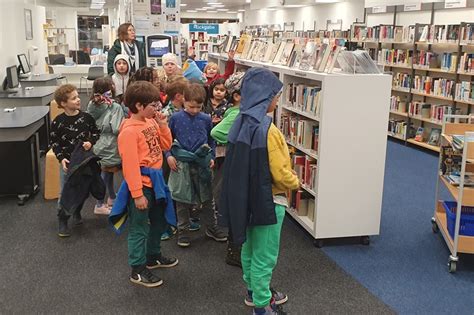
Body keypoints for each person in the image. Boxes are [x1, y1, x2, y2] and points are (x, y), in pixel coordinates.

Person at [219, 68, 300, 314]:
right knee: (265, 256)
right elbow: (281, 173)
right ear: (265, 97)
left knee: (249, 249)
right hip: (268, 202)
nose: (277, 101)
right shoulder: (269, 130)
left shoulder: (239, 121)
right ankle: (263, 306)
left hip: (245, 201)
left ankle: (253, 292)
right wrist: (296, 183)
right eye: (275, 96)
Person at [110, 81, 178, 287]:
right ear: (139, 106)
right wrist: (137, 194)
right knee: (139, 228)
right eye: (153, 105)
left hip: (156, 182)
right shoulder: (129, 131)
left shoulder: (150, 122)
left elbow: (166, 145)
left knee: (158, 222)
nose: (156, 108)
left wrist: (163, 125)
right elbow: (129, 166)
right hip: (142, 186)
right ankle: (137, 269)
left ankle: (153, 256)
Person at [166, 83, 226, 247]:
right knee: (182, 200)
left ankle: (212, 228)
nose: (194, 110)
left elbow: (211, 139)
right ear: (183, 101)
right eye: (191, 106)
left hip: (202, 162)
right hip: (181, 163)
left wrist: (212, 155)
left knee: (208, 198)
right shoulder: (175, 118)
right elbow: (167, 140)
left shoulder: (206, 118)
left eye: (198, 107)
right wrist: (169, 155)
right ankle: (183, 232)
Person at [49, 84, 100, 237]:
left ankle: (77, 210)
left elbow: (96, 133)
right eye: (74, 98)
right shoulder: (58, 122)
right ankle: (63, 219)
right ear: (63, 103)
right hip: (68, 163)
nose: (78, 100)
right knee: (66, 191)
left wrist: (91, 142)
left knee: (83, 190)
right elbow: (54, 143)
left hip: (84, 161)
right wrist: (61, 158)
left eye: (78, 97)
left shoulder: (86, 118)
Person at [210, 71, 245, 267]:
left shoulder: (235, 112)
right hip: (234, 163)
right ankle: (234, 250)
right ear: (237, 96)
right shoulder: (238, 114)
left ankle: (235, 248)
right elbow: (217, 132)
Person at [87, 77, 126, 215]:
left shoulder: (93, 105)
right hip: (109, 144)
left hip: (98, 142)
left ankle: (112, 197)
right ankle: (99, 203)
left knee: (107, 172)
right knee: (105, 174)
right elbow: (116, 128)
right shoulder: (114, 106)